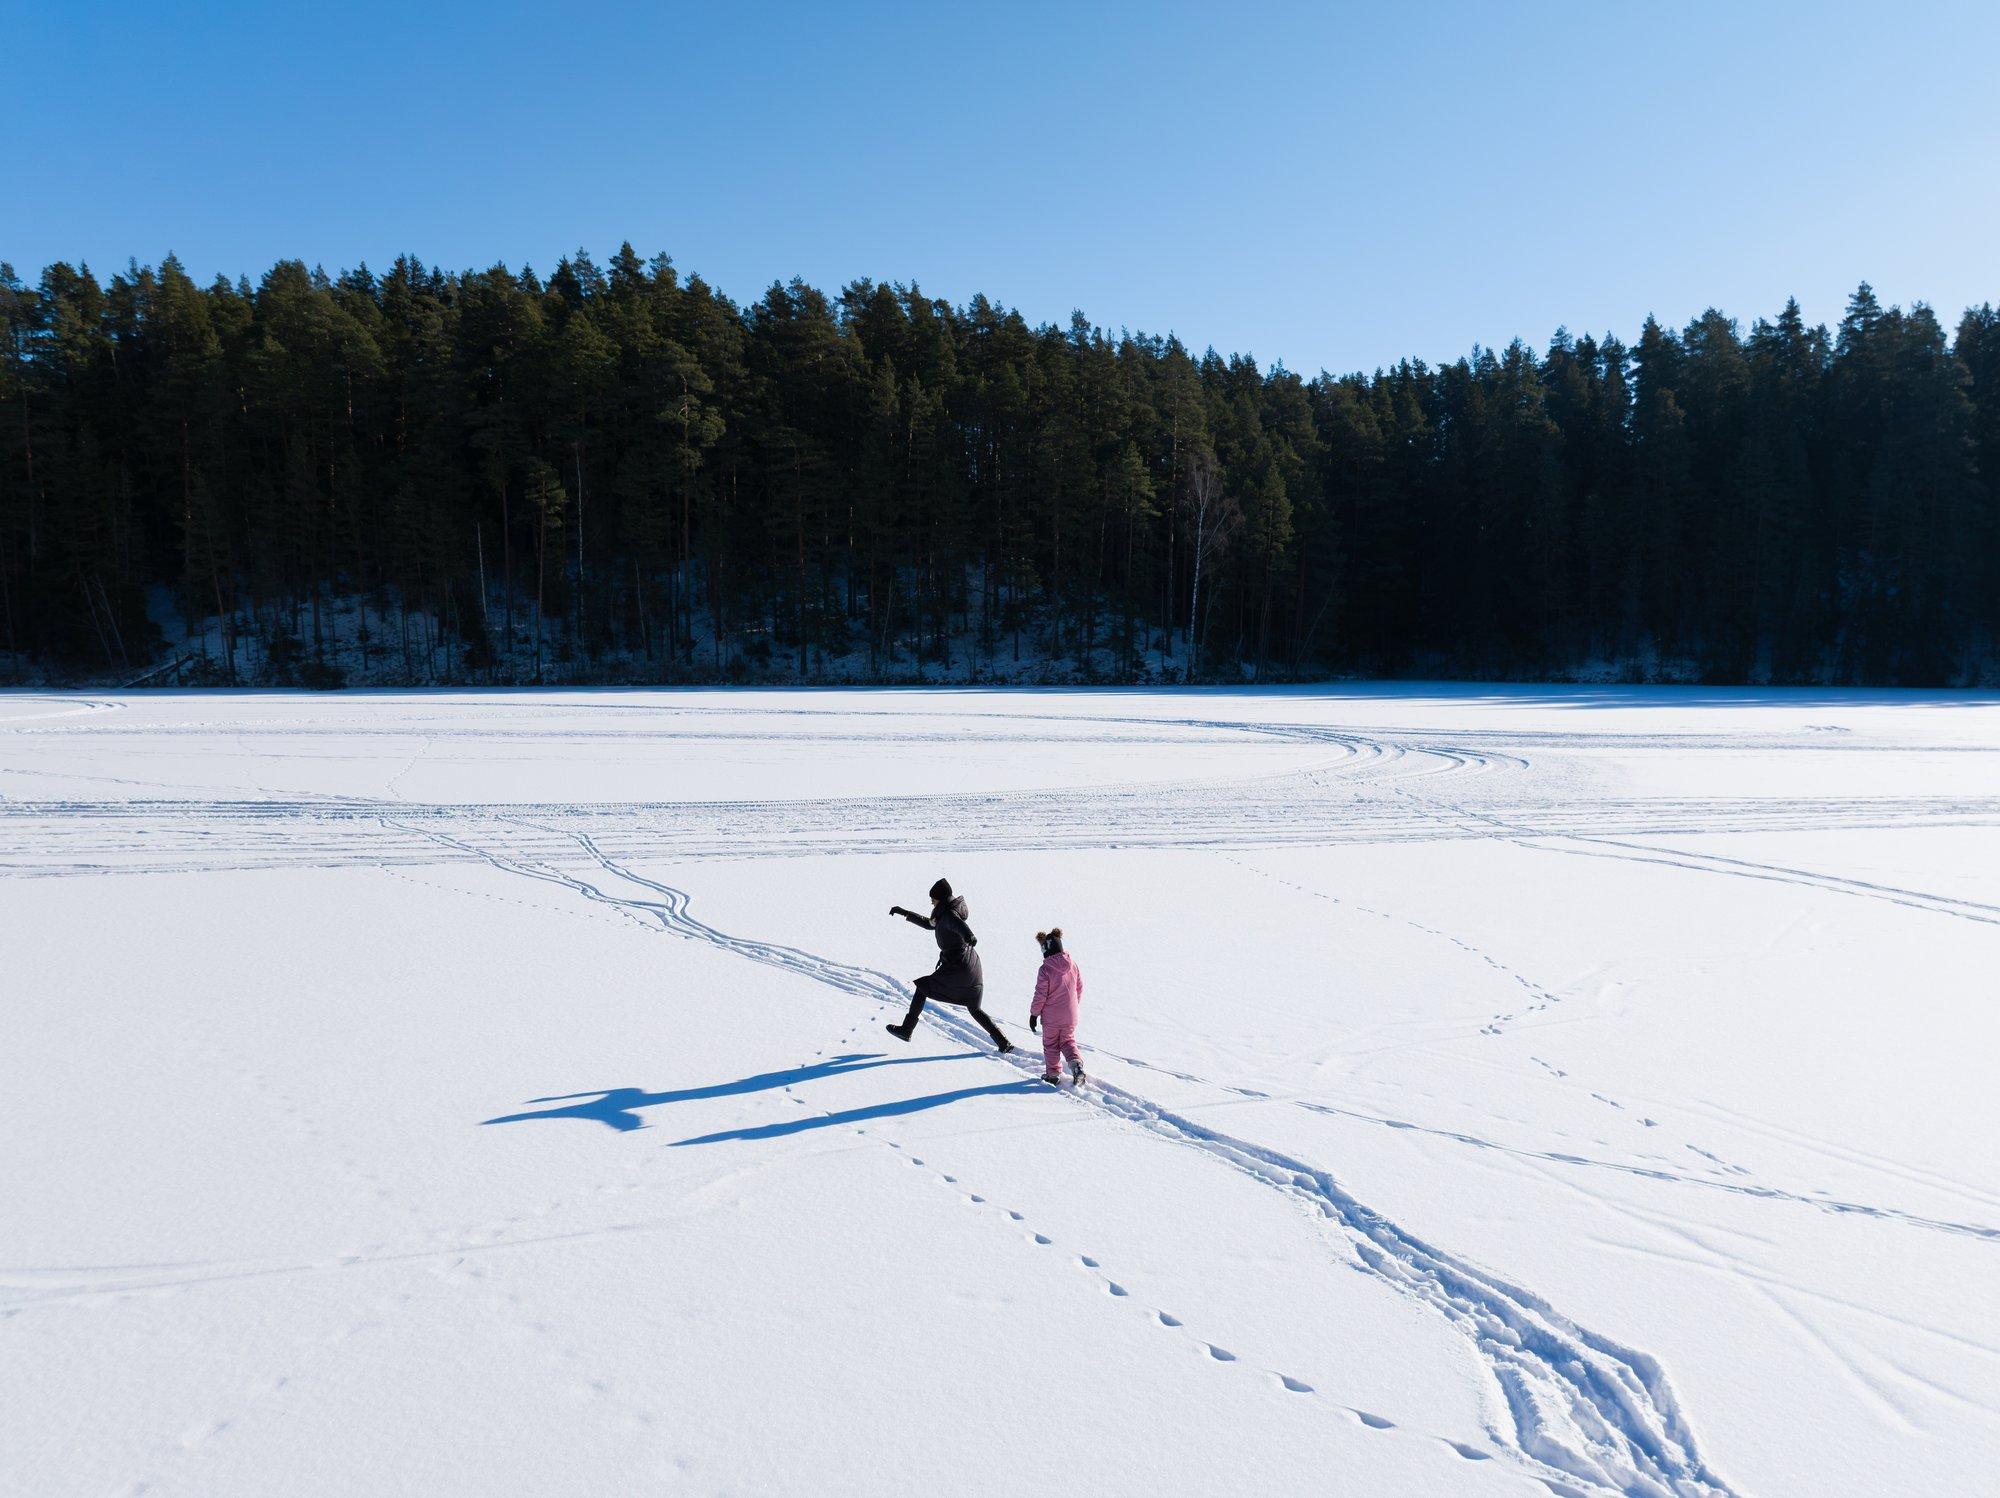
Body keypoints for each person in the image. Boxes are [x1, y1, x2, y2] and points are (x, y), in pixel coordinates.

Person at [886, 878, 1013, 1053]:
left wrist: (970, 936)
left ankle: (906, 1030)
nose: (931, 901)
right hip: (971, 965)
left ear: (941, 899)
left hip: (958, 967)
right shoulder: (943, 913)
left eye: (933, 898)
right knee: (974, 1007)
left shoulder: (949, 915)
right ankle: (1002, 1042)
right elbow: (928, 924)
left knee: (922, 988)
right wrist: (904, 912)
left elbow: (960, 926)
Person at [1028, 927, 1085, 1087]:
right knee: (1068, 1042)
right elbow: (1079, 987)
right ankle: (1076, 1065)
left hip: (1052, 1018)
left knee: (1051, 1044)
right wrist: (1072, 1005)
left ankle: (1053, 1074)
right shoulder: (1072, 964)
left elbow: (1041, 994)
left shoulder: (1045, 969)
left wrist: (1034, 1014)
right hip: (1071, 1015)